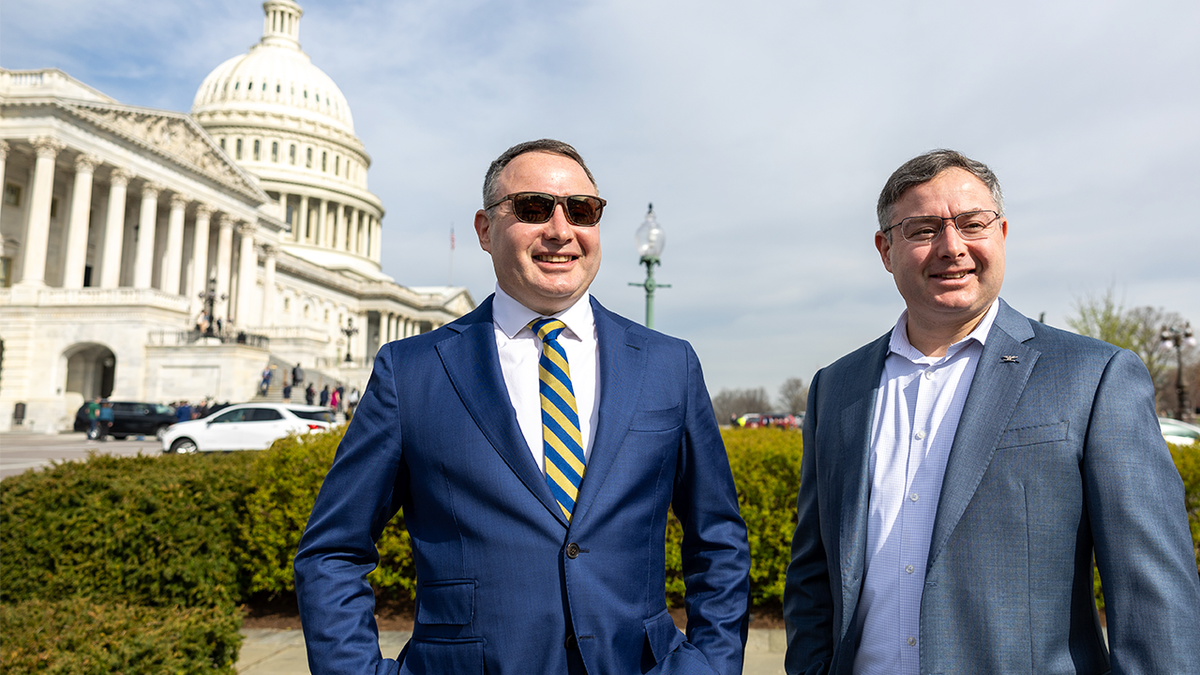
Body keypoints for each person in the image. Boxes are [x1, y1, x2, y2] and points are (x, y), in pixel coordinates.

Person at [295, 139, 750, 675]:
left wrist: (710, 667)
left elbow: (718, 540)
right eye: (534, 209)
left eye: (581, 210)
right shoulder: (411, 372)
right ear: (485, 230)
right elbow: (333, 551)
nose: (561, 230)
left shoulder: (668, 365)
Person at [782, 149, 1200, 674]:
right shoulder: (836, 390)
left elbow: (1152, 595)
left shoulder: (1094, 377)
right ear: (885, 249)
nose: (952, 247)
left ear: (1001, 234)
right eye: (923, 229)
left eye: (972, 224)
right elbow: (813, 576)